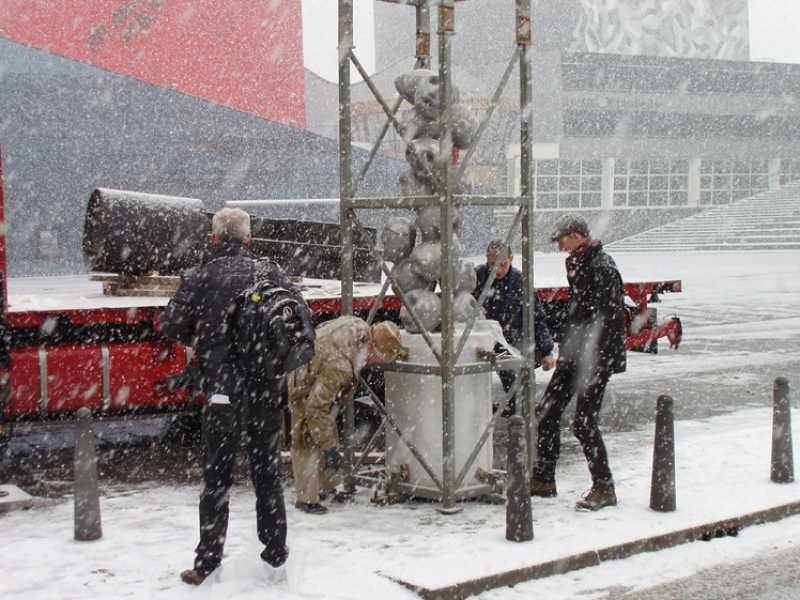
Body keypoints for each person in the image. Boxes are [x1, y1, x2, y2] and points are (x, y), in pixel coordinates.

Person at [160, 207, 292, 585]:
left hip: (222, 392)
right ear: (248, 238)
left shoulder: (200, 276)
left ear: (214, 238)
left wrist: (210, 344)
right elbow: (292, 319)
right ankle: (277, 559)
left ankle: (207, 563)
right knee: (267, 474)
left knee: (217, 478)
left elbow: (172, 324)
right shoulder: (271, 272)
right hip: (265, 388)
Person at [531, 214, 626, 511]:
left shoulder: (602, 266)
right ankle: (544, 478)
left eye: (561, 240)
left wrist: (591, 358)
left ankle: (604, 487)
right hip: (575, 353)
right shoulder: (579, 262)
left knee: (584, 423)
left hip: (596, 357)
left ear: (576, 235)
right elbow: (579, 311)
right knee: (546, 411)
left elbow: (605, 320)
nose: (560, 247)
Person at [287, 317, 408, 514]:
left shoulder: (359, 329)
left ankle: (325, 488)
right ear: (373, 351)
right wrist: (329, 448)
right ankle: (307, 498)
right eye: (380, 359)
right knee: (307, 435)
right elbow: (315, 409)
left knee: (325, 427)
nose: (376, 364)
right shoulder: (340, 366)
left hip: (313, 366)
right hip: (301, 383)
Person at [473, 240, 556, 417]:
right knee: (507, 367)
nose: (498, 270)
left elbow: (537, 317)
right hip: (487, 338)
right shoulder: (477, 276)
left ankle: (519, 407)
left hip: (513, 336)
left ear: (511, 259)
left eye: (503, 265)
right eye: (493, 265)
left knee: (515, 369)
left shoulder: (520, 282)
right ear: (487, 258)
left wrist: (547, 350)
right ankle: (516, 405)